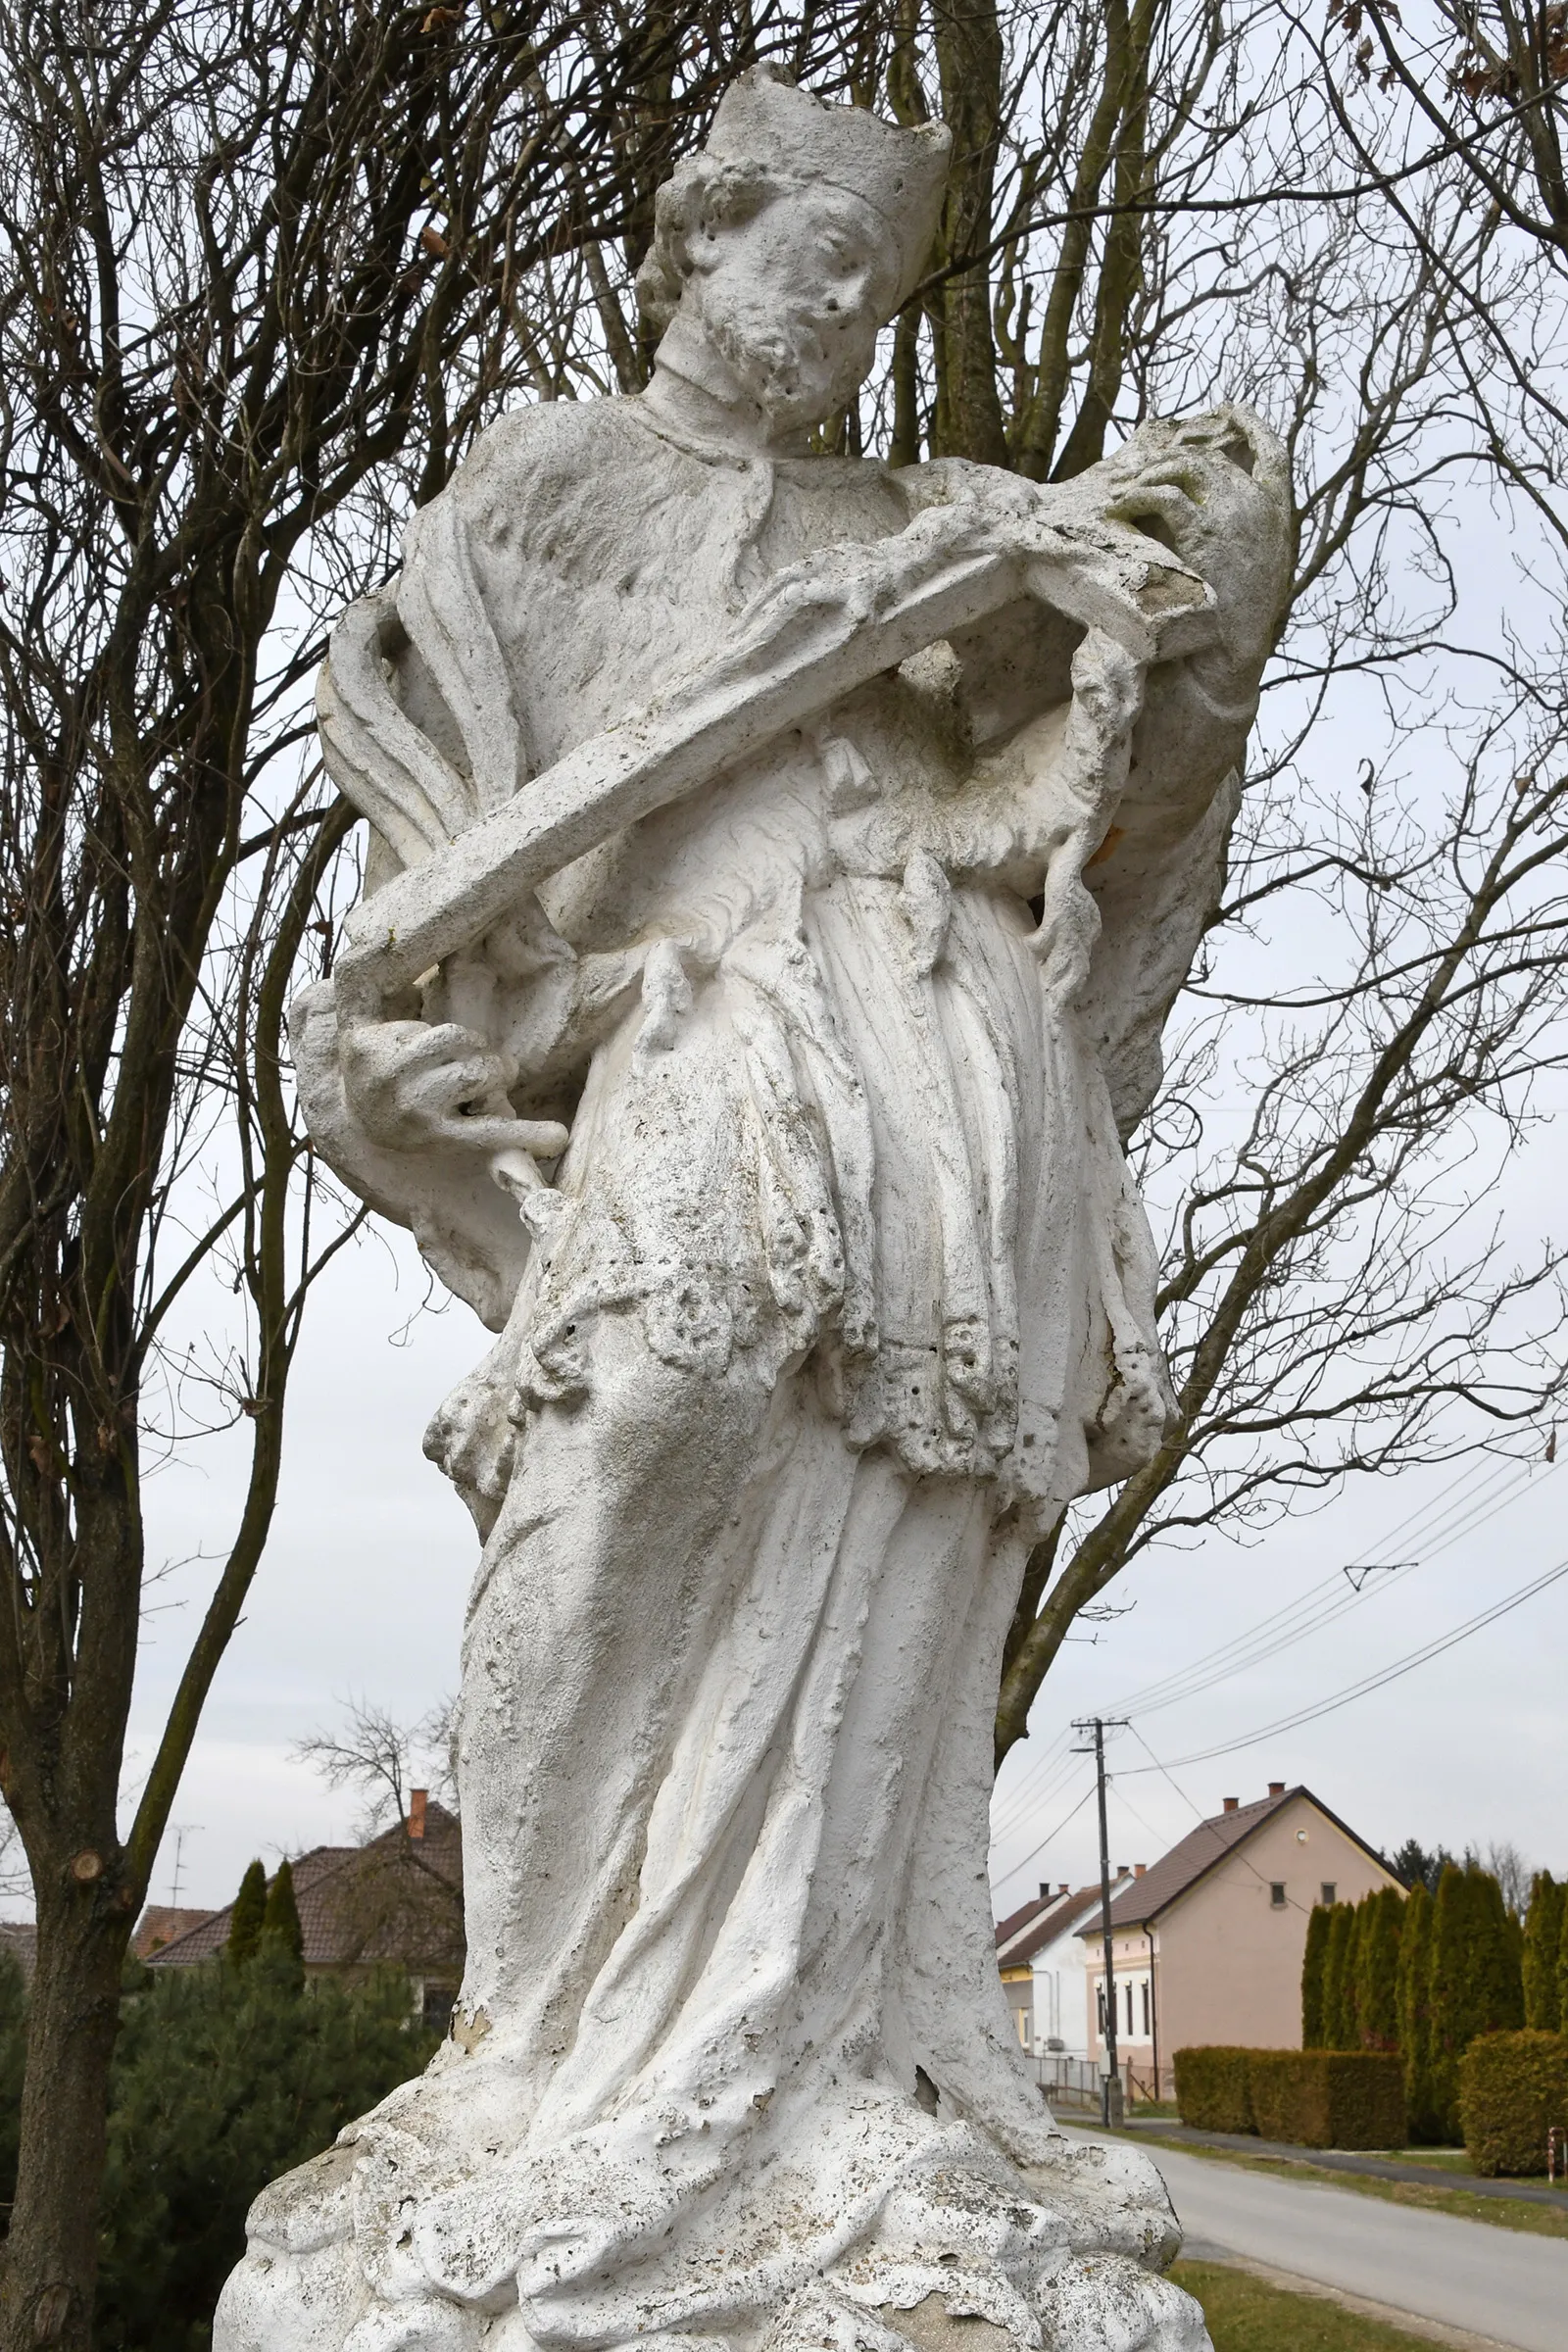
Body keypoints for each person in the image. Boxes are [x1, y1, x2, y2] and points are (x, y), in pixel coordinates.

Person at [218, 66, 1290, 2352]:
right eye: (799, 252)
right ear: (690, 238)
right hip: (686, 1021)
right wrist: (372, 1082)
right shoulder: (530, 494)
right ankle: (534, 2047)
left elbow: (1113, 785)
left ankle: (833, 2062)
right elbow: (431, 921)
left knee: (894, 1521)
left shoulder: (939, 527)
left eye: (871, 277)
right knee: (637, 1423)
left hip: (930, 1043)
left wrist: (1199, 623)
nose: (834, 307)